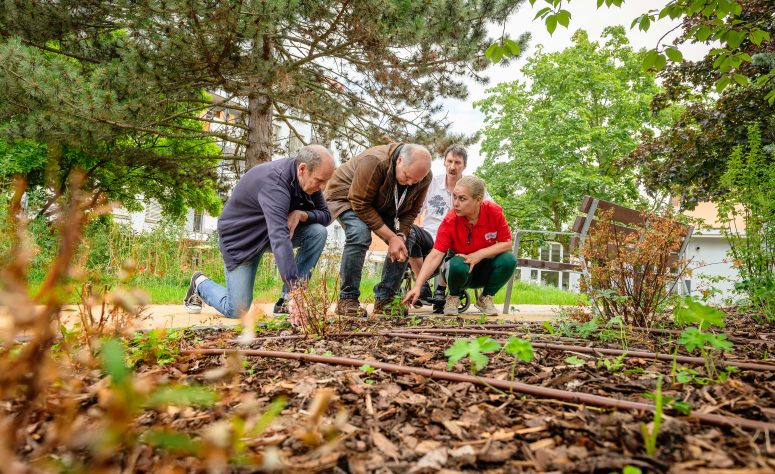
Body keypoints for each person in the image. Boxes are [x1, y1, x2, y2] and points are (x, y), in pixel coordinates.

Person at [183, 145, 335, 325]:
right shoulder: (275, 183)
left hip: (269, 234)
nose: (323, 187)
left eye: (326, 181)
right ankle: (199, 283)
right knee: (236, 310)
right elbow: (280, 239)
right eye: (319, 180)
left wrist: (301, 214)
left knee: (317, 232)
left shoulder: (310, 184)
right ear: (302, 169)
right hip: (242, 240)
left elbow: (326, 216)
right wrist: (297, 291)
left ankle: (286, 302)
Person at [325, 143, 432, 317]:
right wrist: (391, 237)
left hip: (380, 204)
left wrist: (400, 235)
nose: (411, 183)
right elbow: (360, 202)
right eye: (407, 176)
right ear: (399, 160)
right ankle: (348, 298)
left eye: (416, 180)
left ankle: (386, 298)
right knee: (359, 234)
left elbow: (411, 211)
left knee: (408, 238)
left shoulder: (424, 177)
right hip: (347, 198)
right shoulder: (375, 161)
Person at [403, 176, 516, 316]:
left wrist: (477, 255)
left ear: (479, 199)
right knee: (456, 263)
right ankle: (453, 296)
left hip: (484, 270)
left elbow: (507, 243)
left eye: (462, 199)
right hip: (460, 272)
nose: (455, 203)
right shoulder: (450, 220)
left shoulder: (494, 212)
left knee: (509, 260)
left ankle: (485, 297)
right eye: (454, 197)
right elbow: (435, 255)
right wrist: (418, 286)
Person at [409, 144, 492, 309]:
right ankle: (423, 285)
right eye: (450, 161)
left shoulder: (472, 186)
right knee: (408, 232)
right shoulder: (431, 183)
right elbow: (415, 210)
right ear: (444, 163)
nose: (453, 166)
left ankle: (441, 289)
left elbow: (489, 208)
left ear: (464, 166)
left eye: (458, 163)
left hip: (457, 239)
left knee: (452, 238)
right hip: (430, 237)